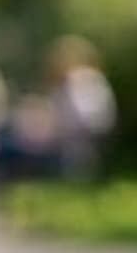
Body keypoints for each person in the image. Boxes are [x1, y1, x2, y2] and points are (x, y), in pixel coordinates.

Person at [46, 35, 115, 181]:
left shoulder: (79, 79)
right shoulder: (90, 78)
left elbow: (81, 115)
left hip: (83, 134)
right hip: (84, 133)